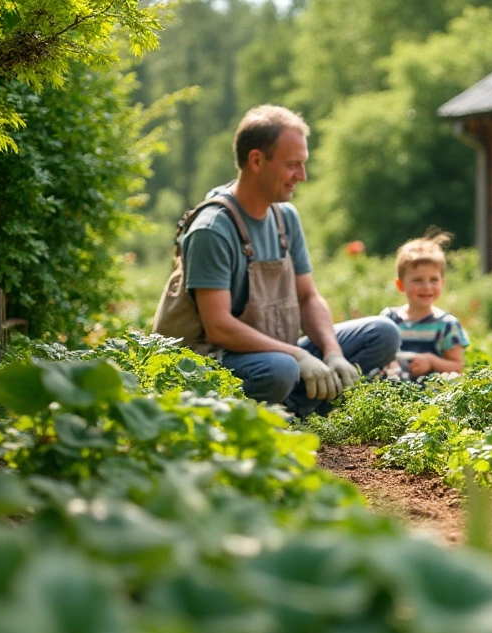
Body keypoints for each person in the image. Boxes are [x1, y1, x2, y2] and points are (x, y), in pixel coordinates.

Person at [155, 104, 399, 416]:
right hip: (209, 362)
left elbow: (308, 296)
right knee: (280, 370)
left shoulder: (285, 216)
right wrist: (297, 355)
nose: (303, 176)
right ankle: (288, 409)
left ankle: (290, 406)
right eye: (292, 165)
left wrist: (332, 352)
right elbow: (219, 328)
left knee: (382, 333)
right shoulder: (213, 229)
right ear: (256, 160)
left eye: (303, 164)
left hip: (275, 351)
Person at [378, 231, 469, 380]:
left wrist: (432, 361)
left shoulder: (447, 325)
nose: (426, 286)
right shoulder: (389, 320)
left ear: (442, 283)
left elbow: (457, 366)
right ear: (401, 285)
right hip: (391, 393)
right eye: (418, 280)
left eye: (433, 280)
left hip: (430, 397)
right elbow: (376, 355)